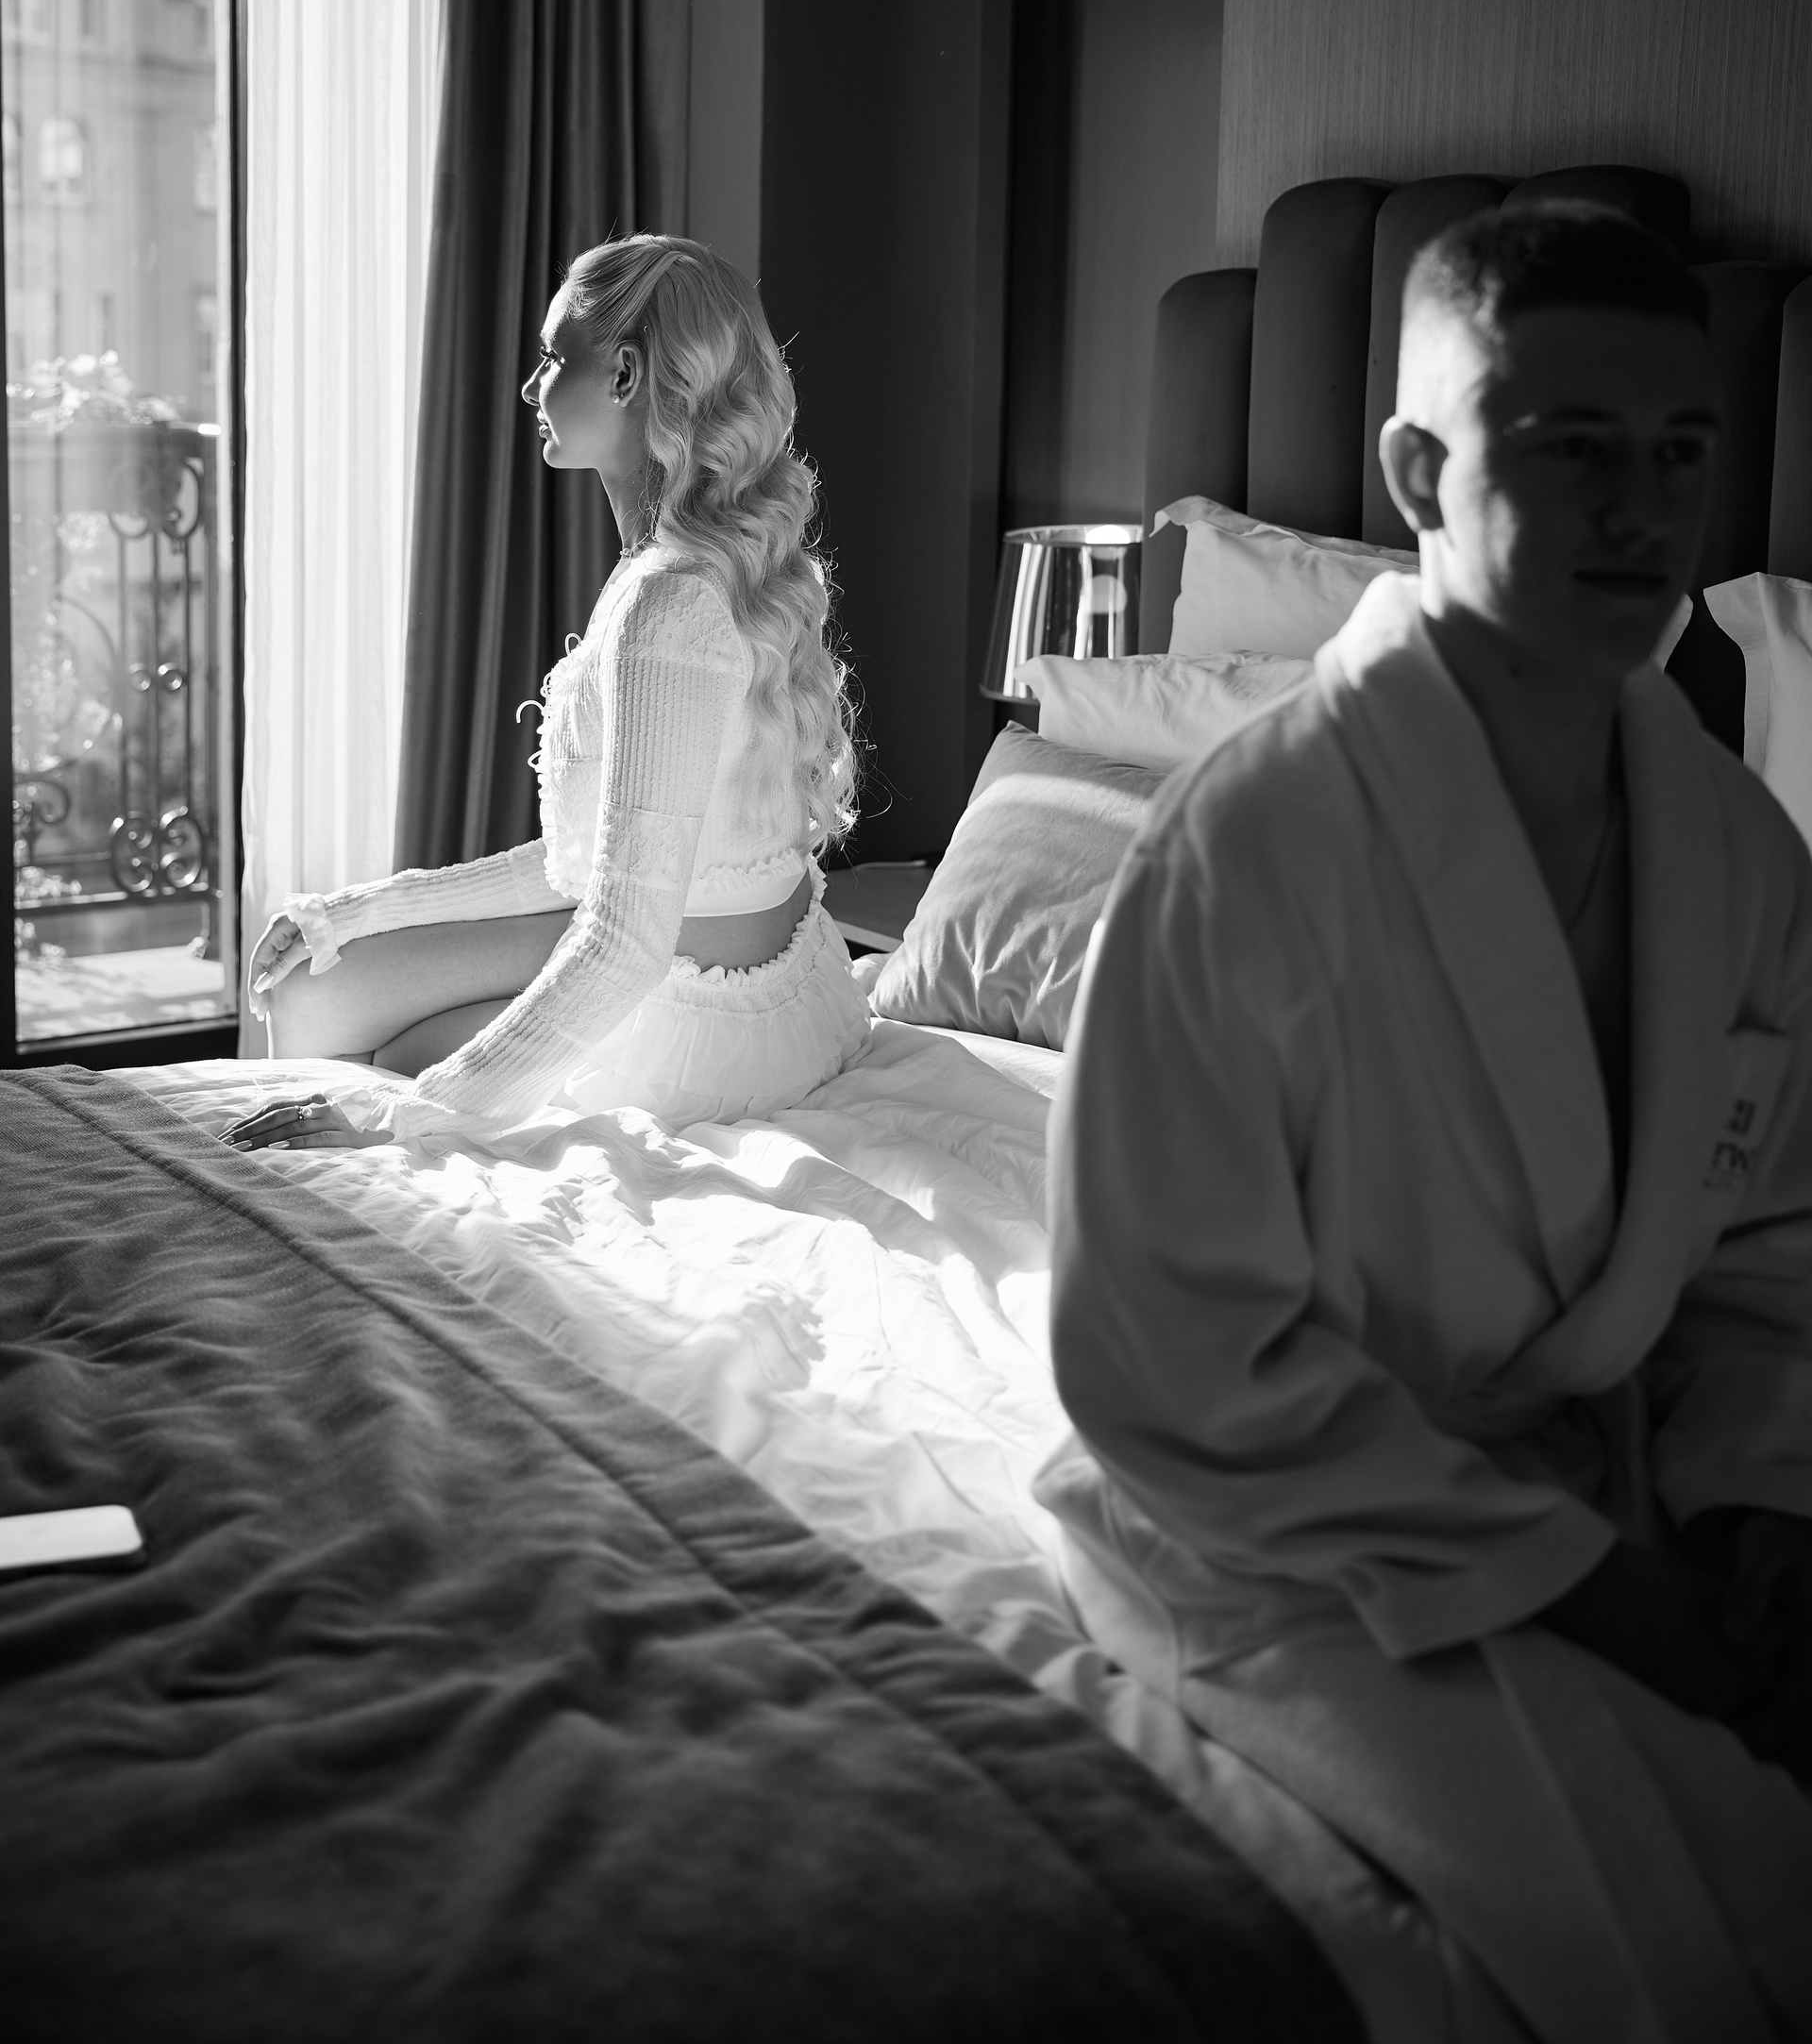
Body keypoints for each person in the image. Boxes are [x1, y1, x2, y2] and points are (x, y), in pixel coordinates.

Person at [1039, 204, 1812, 2041]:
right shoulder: (1248, 845)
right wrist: (1607, 1598)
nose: (1642, 505)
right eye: (1572, 446)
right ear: (1414, 472)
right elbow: (1170, 1358)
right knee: (1683, 1909)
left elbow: (1775, 1239)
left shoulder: (1738, 846)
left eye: (1681, 450)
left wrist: (1768, 1499)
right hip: (1284, 1523)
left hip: (1625, 1481)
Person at [249, 234, 870, 1136]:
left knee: (329, 1014)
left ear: (624, 375)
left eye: (552, 359)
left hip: (709, 1032)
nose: (531, 388)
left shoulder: (669, 607)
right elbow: (586, 859)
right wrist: (349, 912)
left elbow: (625, 940)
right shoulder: (693, 575)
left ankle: (315, 1201)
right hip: (770, 991)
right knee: (315, 973)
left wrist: (407, 1117)